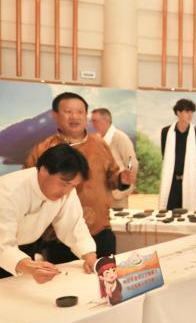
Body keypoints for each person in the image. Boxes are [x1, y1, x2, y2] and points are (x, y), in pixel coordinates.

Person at [25, 92, 134, 262]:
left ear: (86, 115)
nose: (75, 117)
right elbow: (30, 187)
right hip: (57, 237)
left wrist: (121, 180)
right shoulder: (43, 149)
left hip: (99, 231)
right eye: (68, 111)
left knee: (106, 276)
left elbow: (112, 177)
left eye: (80, 112)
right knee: (64, 278)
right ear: (55, 115)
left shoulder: (99, 144)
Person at [0, 144, 97, 282]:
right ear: (44, 170)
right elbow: (3, 244)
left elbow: (73, 225)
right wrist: (29, 266)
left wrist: (89, 256)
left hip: (23, 252)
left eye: (73, 185)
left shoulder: (68, 191)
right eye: (64, 183)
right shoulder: (7, 191)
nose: (67, 191)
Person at [159, 98, 196, 210]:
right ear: (178, 112)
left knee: (188, 211)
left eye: (191, 112)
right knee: (168, 211)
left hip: (189, 179)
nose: (190, 115)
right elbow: (164, 155)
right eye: (187, 111)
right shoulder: (166, 132)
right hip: (171, 180)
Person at [91, 107, 139, 208]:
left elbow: (131, 161)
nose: (92, 124)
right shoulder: (96, 138)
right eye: (92, 121)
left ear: (106, 121)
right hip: (100, 192)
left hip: (117, 193)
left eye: (95, 121)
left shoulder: (120, 137)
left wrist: (127, 179)